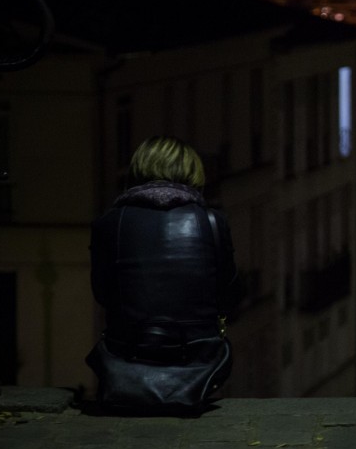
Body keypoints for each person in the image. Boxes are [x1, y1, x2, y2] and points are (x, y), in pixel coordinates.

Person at [86, 136, 240, 414]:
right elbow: (228, 290)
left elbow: (102, 292)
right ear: (193, 172)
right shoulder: (212, 222)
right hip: (196, 356)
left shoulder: (109, 224)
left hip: (127, 353)